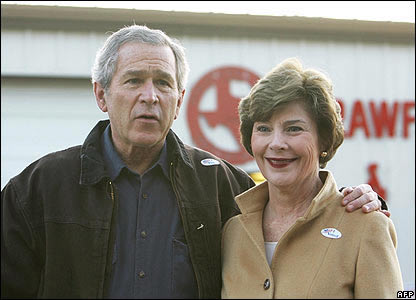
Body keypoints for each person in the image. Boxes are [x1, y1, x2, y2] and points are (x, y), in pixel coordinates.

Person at [1, 25, 384, 299]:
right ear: (102, 95)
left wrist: (362, 201)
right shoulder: (38, 188)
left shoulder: (220, 184)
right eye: (134, 80)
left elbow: (295, 203)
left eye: (164, 83)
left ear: (180, 98)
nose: (150, 96)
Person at [221, 58, 403, 299]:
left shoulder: (366, 227)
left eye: (294, 128)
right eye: (264, 128)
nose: (276, 143)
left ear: (324, 140)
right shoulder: (233, 231)